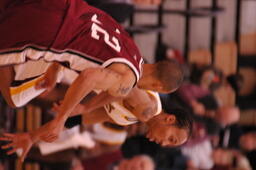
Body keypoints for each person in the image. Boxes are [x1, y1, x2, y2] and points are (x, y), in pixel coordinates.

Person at [0, 0, 181, 142]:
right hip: (52, 33)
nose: (164, 144)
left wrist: (58, 69)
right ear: (157, 86)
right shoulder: (142, 101)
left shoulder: (132, 49)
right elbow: (90, 77)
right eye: (171, 139)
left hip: (66, 8)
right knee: (14, 97)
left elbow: (94, 27)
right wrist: (60, 119)